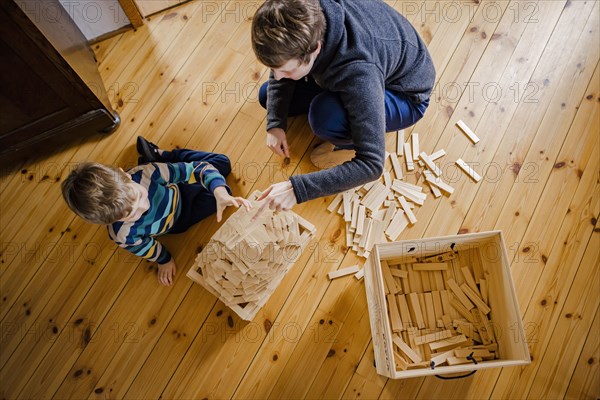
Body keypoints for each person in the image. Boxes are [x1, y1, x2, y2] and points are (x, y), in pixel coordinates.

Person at [250, 0, 435, 217]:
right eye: (274, 69)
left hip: (405, 95)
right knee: (268, 95)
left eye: (287, 71)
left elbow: (372, 164)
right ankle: (327, 93)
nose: (278, 76)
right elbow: (280, 71)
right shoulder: (305, 13)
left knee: (324, 117)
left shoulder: (359, 73)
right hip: (365, 67)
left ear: (316, 48)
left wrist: (297, 189)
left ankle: (347, 143)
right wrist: (275, 123)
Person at [61, 136, 251, 286]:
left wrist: (218, 191)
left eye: (137, 197)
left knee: (222, 164)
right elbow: (146, 247)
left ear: (126, 176)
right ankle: (168, 163)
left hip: (178, 188)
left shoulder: (147, 173)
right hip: (178, 221)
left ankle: (165, 156)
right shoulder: (122, 234)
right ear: (109, 221)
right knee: (222, 195)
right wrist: (164, 260)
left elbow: (196, 170)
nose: (143, 208)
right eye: (130, 214)